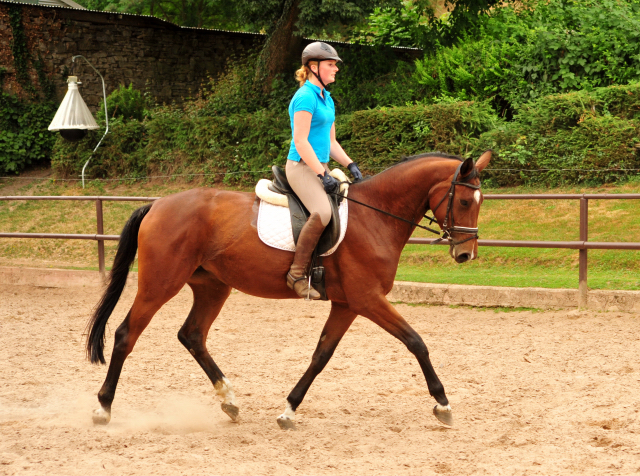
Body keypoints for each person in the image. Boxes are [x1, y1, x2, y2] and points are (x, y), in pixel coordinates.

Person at [285, 41, 363, 300]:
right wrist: (322, 175)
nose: (335, 69)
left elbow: (330, 143)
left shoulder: (326, 98)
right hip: (301, 167)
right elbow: (301, 141)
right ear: (313, 67)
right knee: (322, 212)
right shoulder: (305, 97)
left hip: (320, 166)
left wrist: (350, 164)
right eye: (331, 64)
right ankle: (296, 274)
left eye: (335, 65)